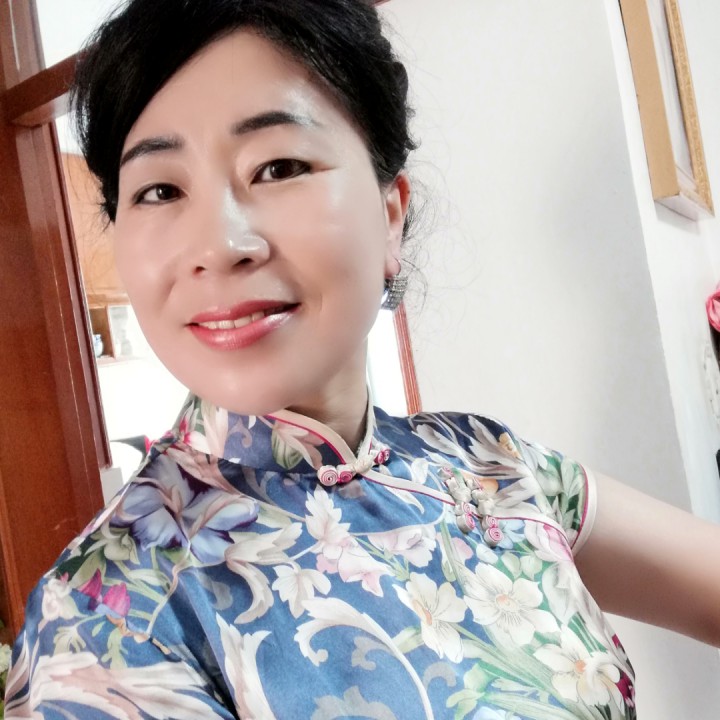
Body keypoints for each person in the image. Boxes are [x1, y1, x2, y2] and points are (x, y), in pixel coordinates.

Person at [5, 1, 720, 718]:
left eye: (278, 166)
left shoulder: (489, 466)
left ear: (390, 216)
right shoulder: (103, 623)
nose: (218, 245)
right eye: (159, 190)